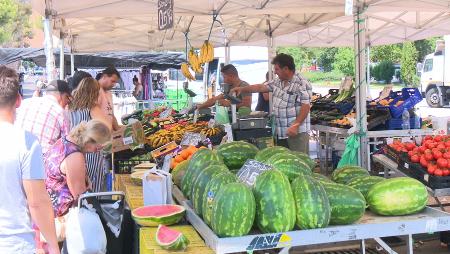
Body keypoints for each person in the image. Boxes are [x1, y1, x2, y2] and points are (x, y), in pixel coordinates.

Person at [0, 66, 59, 254]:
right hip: (14, 244)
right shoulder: (26, 142)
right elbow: (37, 202)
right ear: (18, 100)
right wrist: (53, 244)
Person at [231, 53, 312, 154]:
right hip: (281, 131)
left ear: (286, 69)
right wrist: (242, 89)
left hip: (296, 133)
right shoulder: (278, 82)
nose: (275, 72)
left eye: (277, 69)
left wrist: (296, 124)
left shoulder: (302, 83)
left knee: (300, 162)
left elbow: (306, 106)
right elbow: (260, 87)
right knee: (283, 161)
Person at [69, 77, 111, 192]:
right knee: (92, 186)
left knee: (79, 185)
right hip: (91, 150)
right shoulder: (92, 108)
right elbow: (106, 128)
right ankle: (93, 206)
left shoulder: (70, 107)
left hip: (74, 149)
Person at [16, 79, 72, 154]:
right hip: (43, 158)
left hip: (16, 153)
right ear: (62, 95)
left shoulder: (25, 103)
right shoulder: (60, 112)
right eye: (67, 98)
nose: (67, 103)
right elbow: (67, 143)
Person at [98, 67, 120, 131]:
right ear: (104, 76)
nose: (114, 84)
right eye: (112, 81)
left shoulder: (109, 93)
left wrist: (119, 131)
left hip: (108, 134)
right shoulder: (95, 90)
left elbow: (111, 114)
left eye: (115, 82)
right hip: (98, 134)